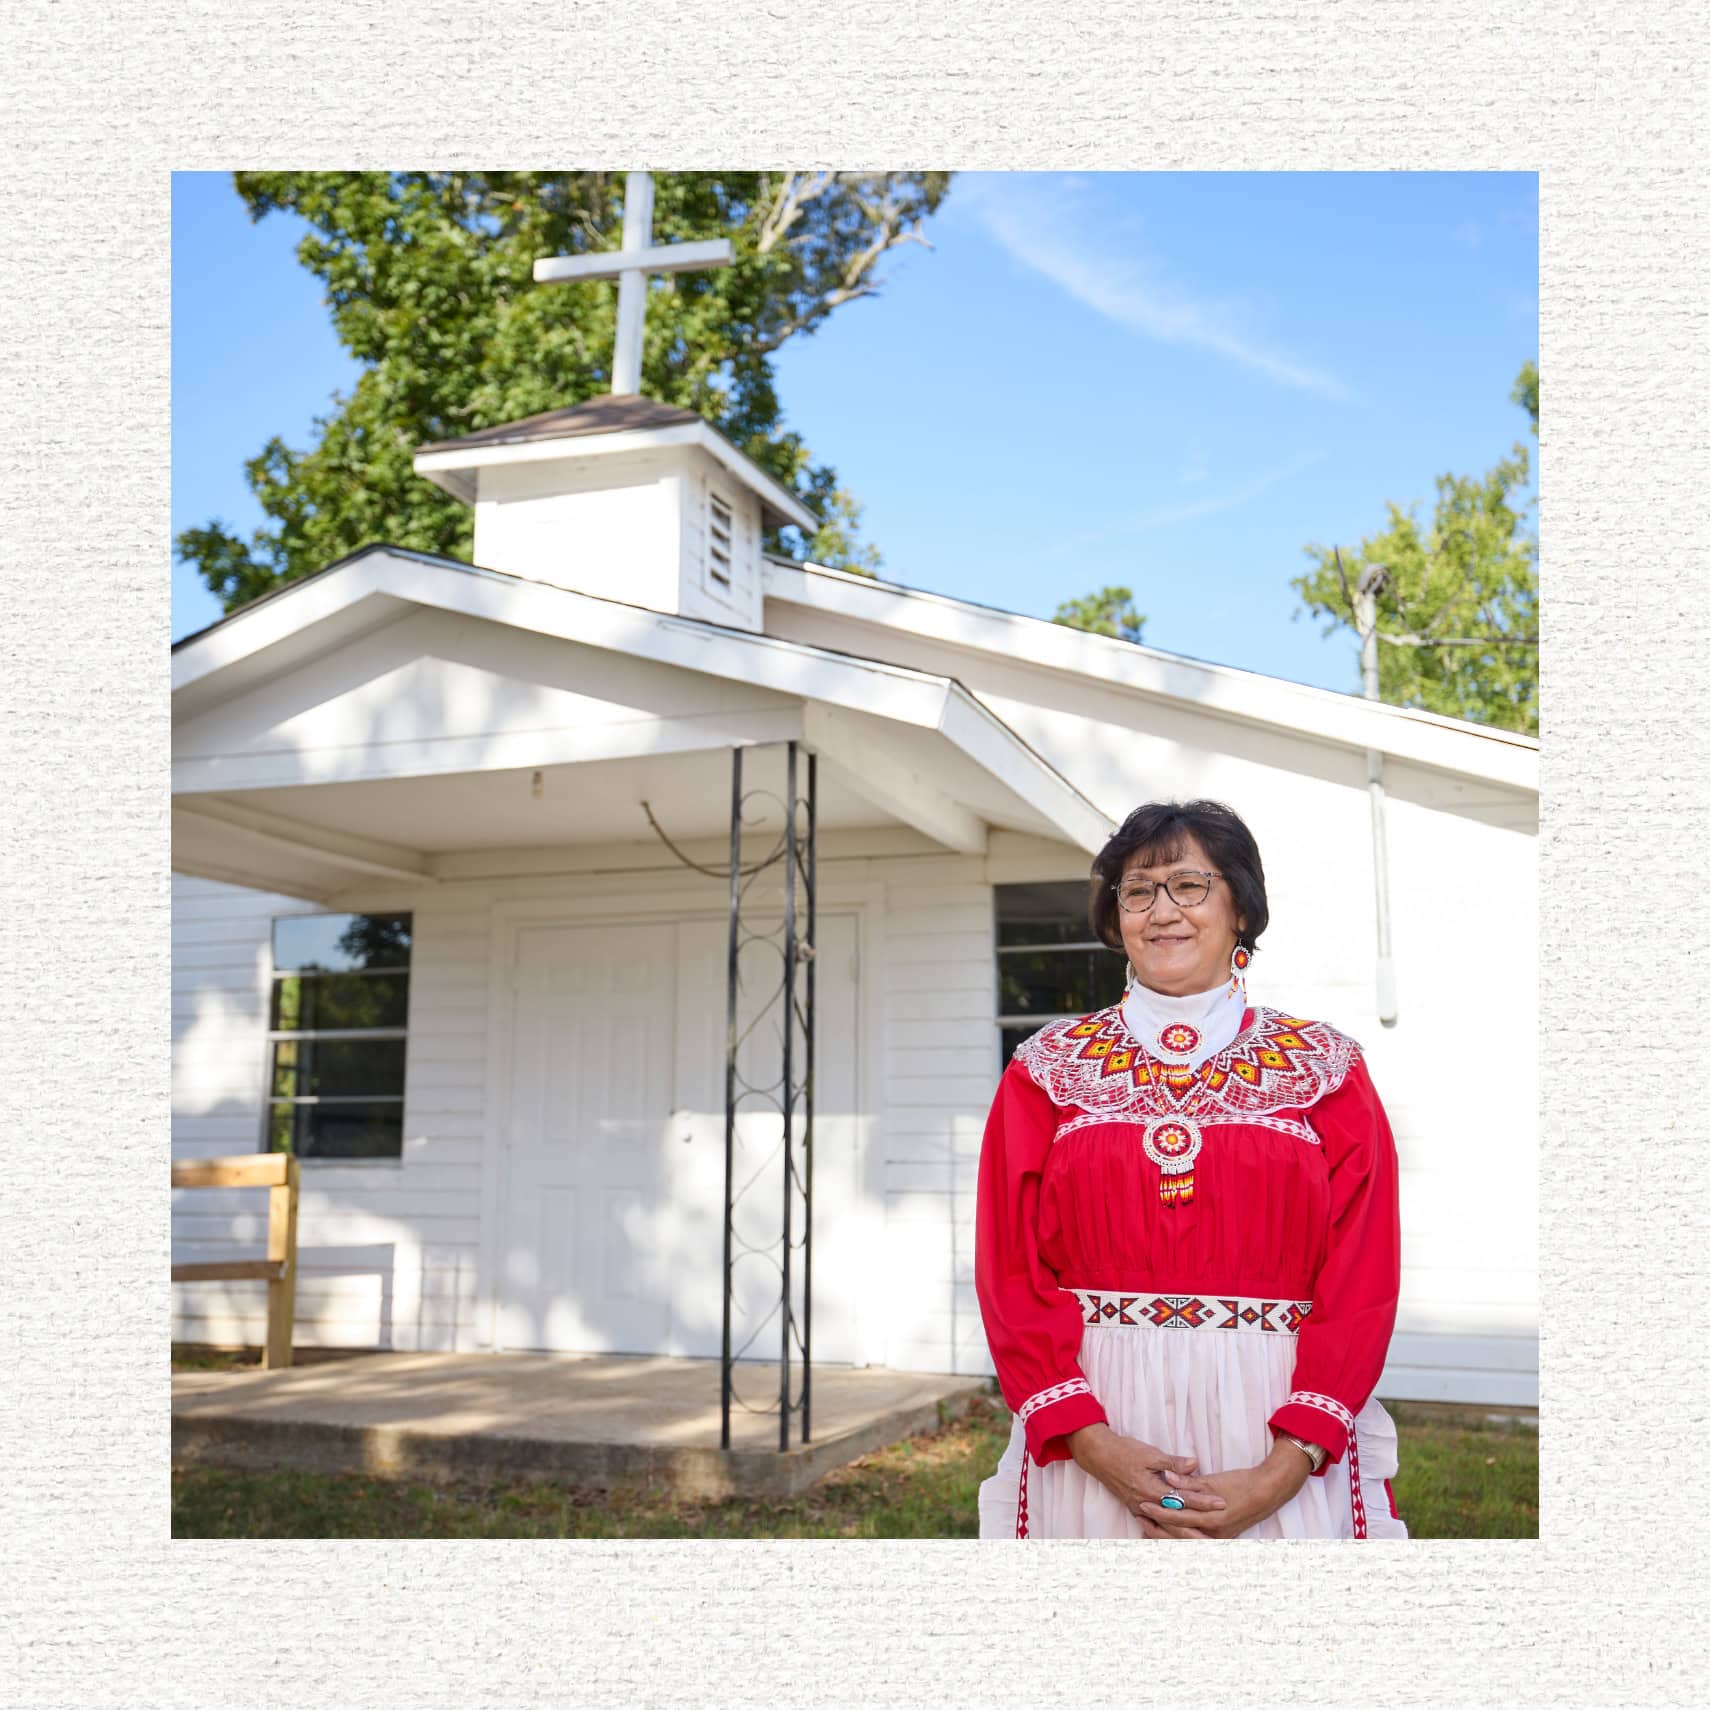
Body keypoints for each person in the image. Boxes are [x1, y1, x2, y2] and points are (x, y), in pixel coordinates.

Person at [974, 799, 1407, 1539]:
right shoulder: (1046, 1071)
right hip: (1098, 1421)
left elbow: (1363, 1272)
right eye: (1137, 891)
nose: (1161, 910)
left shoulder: (1325, 1069)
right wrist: (1087, 1438)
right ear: (1117, 919)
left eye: (1188, 885)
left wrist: (1285, 1467)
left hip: (1273, 1424)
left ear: (1241, 906)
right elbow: (1009, 1268)